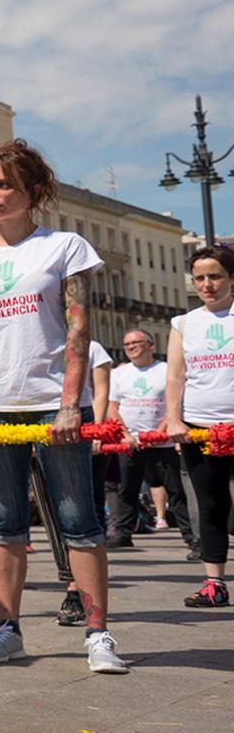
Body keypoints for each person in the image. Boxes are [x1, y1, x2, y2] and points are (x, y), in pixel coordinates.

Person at [0, 139, 126, 675]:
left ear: (33, 192)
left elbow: (78, 328)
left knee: (79, 519)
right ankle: (8, 629)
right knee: (3, 520)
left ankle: (98, 633)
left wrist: (72, 403)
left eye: (5, 185)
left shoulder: (64, 247)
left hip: (52, 402)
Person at [164, 244, 234, 608]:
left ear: (231, 279)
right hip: (199, 427)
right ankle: (214, 583)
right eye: (200, 278)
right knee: (210, 504)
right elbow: (175, 375)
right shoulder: (184, 323)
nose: (207, 284)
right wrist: (174, 418)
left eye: (215, 276)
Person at [107, 328, 184, 548]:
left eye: (136, 343)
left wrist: (161, 431)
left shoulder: (166, 370)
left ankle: (193, 538)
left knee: (176, 490)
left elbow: (176, 402)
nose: (131, 347)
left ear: (151, 345)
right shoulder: (119, 374)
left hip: (163, 442)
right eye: (127, 344)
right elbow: (113, 407)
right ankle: (123, 534)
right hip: (130, 442)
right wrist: (125, 435)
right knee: (126, 490)